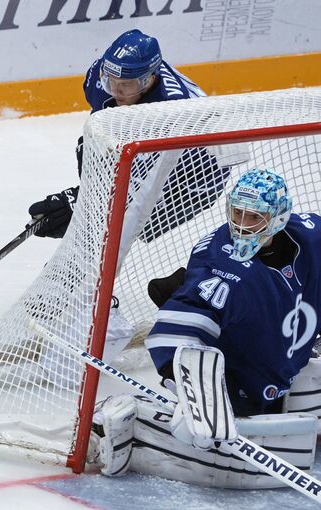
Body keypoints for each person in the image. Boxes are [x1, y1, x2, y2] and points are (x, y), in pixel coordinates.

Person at [91, 168, 320, 489]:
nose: (241, 224)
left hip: (281, 355)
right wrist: (187, 383)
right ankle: (115, 421)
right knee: (222, 435)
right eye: (236, 212)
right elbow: (182, 321)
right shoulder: (223, 263)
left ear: (279, 218)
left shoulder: (310, 236)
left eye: (253, 216)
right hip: (239, 368)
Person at [28, 29, 219, 240]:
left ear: (149, 81)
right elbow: (102, 138)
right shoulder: (102, 76)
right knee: (89, 148)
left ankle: (85, 265)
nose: (115, 91)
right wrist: (84, 197)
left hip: (193, 179)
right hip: (151, 150)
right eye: (110, 80)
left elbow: (136, 184)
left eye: (126, 85)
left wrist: (86, 205)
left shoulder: (173, 113)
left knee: (122, 223)